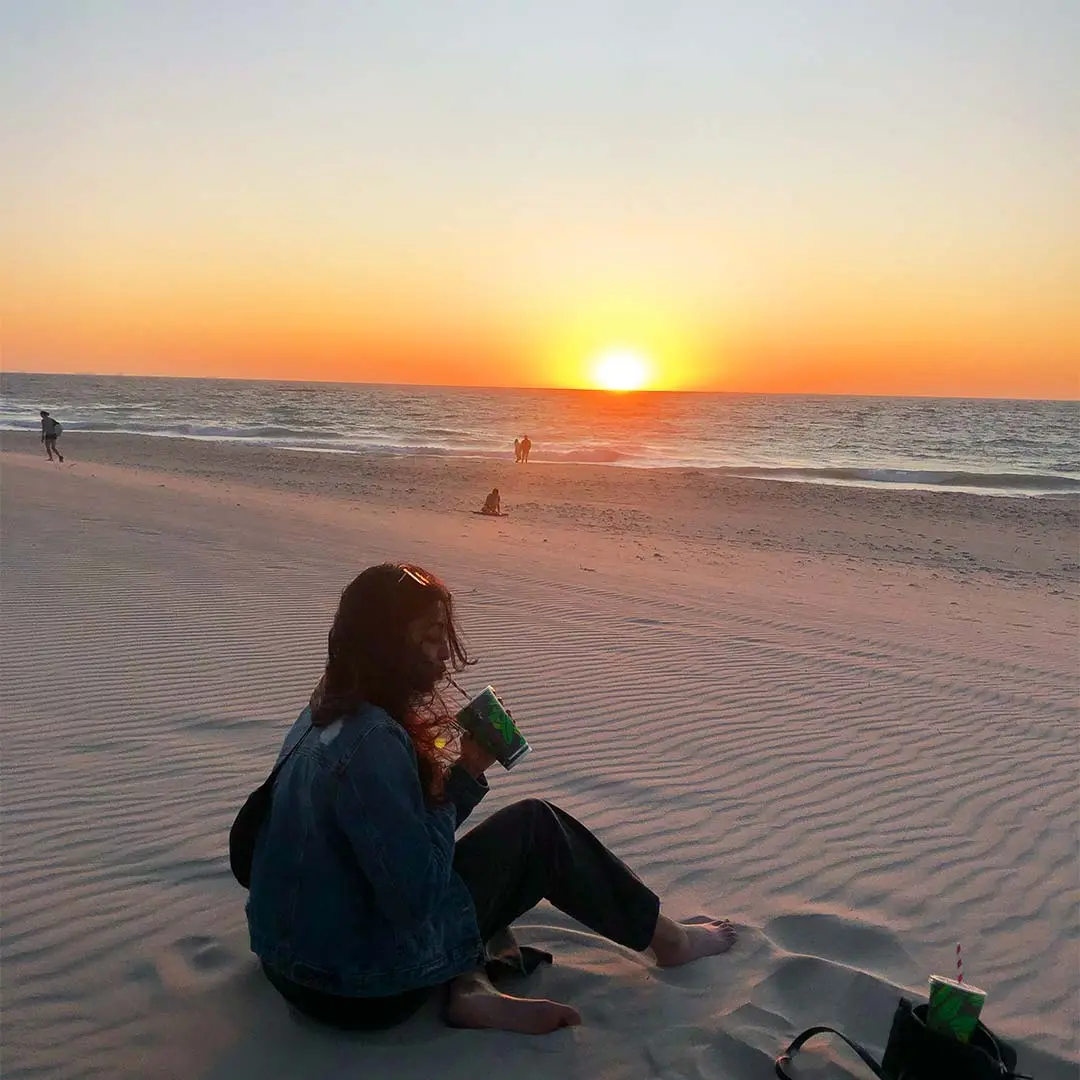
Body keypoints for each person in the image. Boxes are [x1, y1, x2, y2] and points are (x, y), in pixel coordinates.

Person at [245, 563, 736, 1035]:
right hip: (362, 992)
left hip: (286, 969)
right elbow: (416, 900)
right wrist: (459, 778)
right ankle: (671, 941)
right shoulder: (372, 742)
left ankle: (471, 983)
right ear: (386, 645)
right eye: (432, 637)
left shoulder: (322, 710)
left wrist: (450, 781)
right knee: (536, 829)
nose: (444, 654)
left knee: (479, 868)